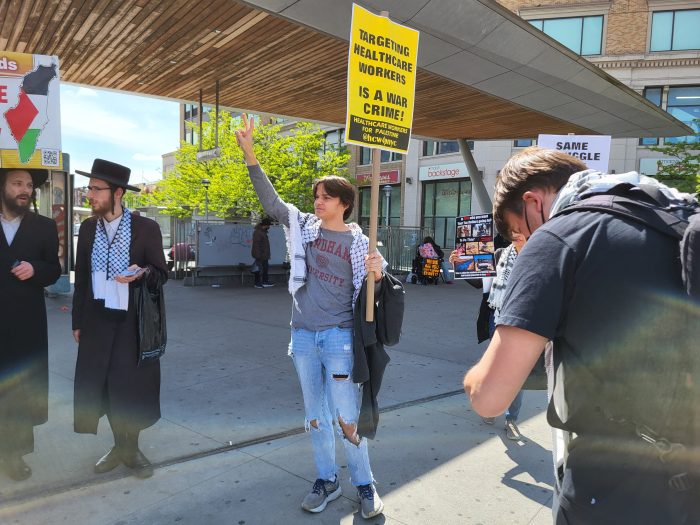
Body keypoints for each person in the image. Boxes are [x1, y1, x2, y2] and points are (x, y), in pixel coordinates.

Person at [463, 147, 699, 524]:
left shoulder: (561, 236)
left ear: (532, 201)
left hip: (618, 489)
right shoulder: (675, 216)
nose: (522, 244)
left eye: (519, 232)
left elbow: (489, 398)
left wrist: (473, 377)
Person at [235, 114, 386, 519]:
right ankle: (327, 480)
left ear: (344, 204)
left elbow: (378, 279)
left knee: (347, 418)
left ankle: (364, 483)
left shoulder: (359, 241)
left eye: (326, 197)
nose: (317, 201)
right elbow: (271, 203)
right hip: (302, 336)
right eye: (316, 195)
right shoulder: (302, 226)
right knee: (316, 418)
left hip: (338, 337)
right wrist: (250, 153)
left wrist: (378, 269)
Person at [72, 159, 168, 479]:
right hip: (97, 317)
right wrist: (78, 321)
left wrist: (142, 273)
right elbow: (82, 278)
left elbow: (162, 274)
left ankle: (132, 447)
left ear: (117, 193)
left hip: (132, 321)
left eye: (95, 189)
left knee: (132, 386)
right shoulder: (88, 229)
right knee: (106, 386)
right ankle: (118, 445)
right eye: (89, 188)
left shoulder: (146, 229)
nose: (89, 195)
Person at [0, 168, 61, 481]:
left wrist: (35, 268)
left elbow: (54, 269)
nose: (24, 189)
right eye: (16, 183)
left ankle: (14, 454)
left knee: (21, 389)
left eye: (28, 185)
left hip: (26, 323)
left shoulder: (44, 227)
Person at [251, 217, 274, 288]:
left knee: (264, 269)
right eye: (268, 225)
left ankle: (265, 281)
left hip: (264, 255)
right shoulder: (258, 232)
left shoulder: (262, 232)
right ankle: (257, 283)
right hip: (260, 255)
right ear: (265, 225)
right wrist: (258, 255)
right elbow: (256, 245)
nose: (269, 227)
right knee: (258, 269)